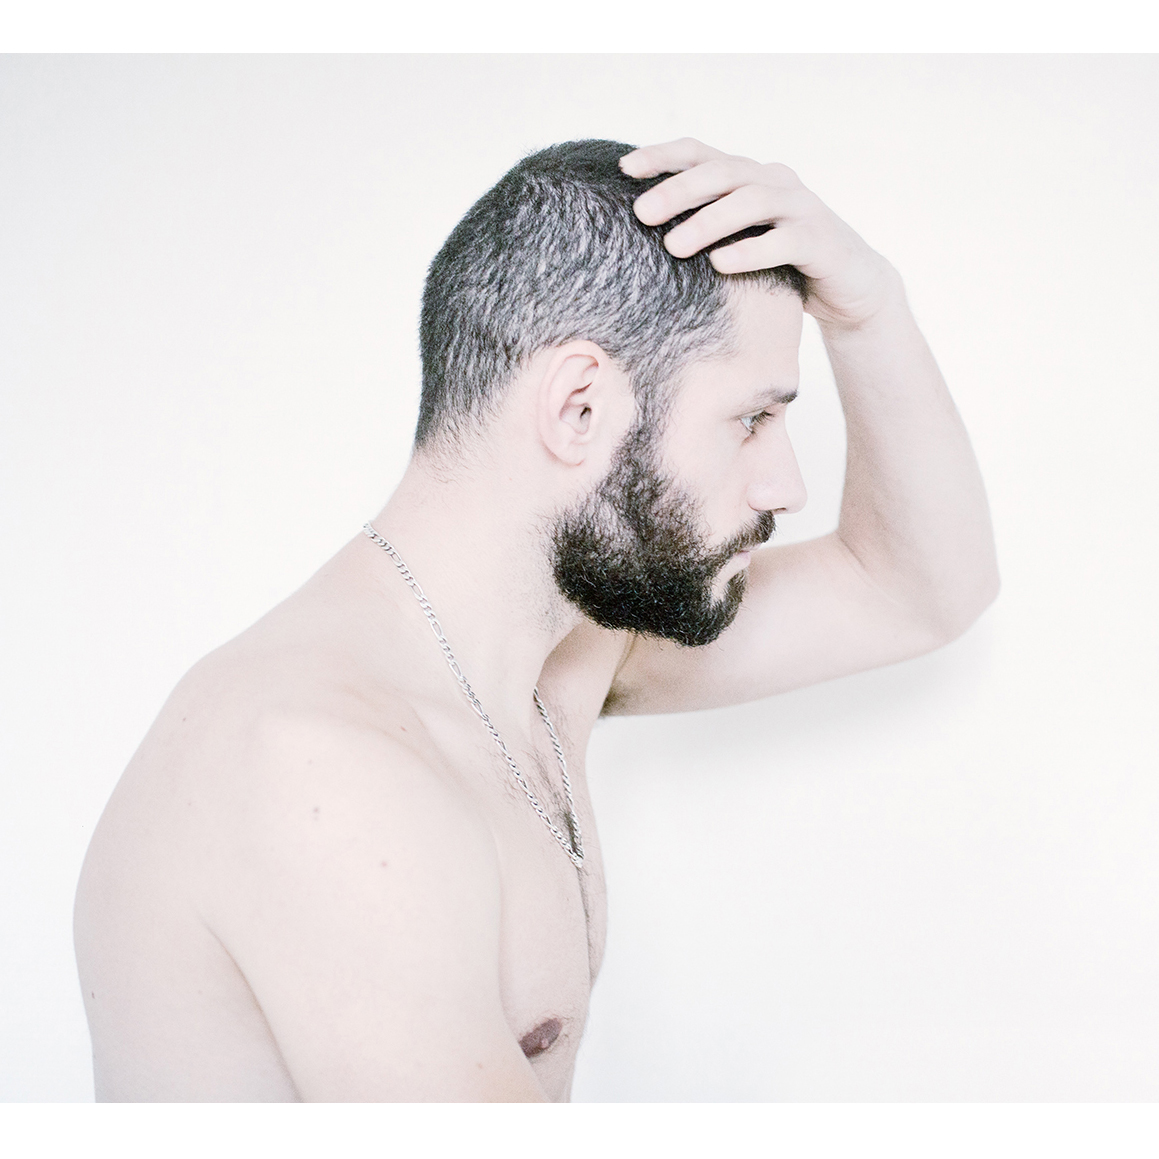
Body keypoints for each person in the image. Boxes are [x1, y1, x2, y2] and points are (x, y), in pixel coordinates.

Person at [73, 137, 999, 1102]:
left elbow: (917, 588)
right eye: (751, 420)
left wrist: (870, 308)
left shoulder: (562, 656)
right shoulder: (323, 771)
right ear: (578, 407)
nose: (785, 486)